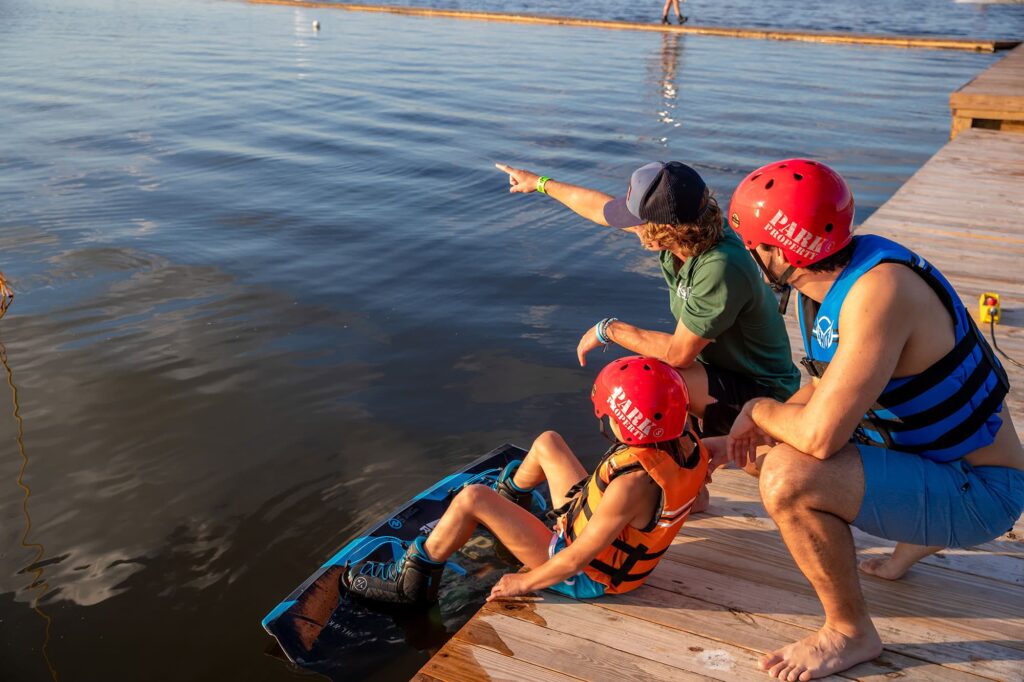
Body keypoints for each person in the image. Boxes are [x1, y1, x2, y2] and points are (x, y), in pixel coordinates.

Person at [725, 158, 1024, 680]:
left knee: (787, 476)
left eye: (754, 245)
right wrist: (728, 442)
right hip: (936, 460)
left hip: (986, 493)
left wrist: (756, 408)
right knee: (764, 454)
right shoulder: (834, 278)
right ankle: (921, 532)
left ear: (779, 249)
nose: (752, 255)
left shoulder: (878, 294)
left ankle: (849, 631)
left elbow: (819, 438)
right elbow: (821, 384)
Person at [342, 356, 714, 605]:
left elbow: (574, 561)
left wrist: (522, 583)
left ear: (625, 421)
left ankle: (411, 580)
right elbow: (695, 484)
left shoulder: (630, 486)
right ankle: (512, 502)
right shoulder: (685, 441)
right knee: (547, 442)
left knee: (473, 497)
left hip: (586, 575)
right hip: (583, 523)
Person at [495, 161, 800, 444]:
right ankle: (684, 452)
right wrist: (539, 183)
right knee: (658, 375)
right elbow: (600, 209)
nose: (631, 227)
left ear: (667, 229)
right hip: (722, 375)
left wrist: (610, 330)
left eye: (637, 223)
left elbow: (678, 354)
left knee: (651, 382)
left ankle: (681, 468)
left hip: (766, 398)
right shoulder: (684, 234)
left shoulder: (720, 266)